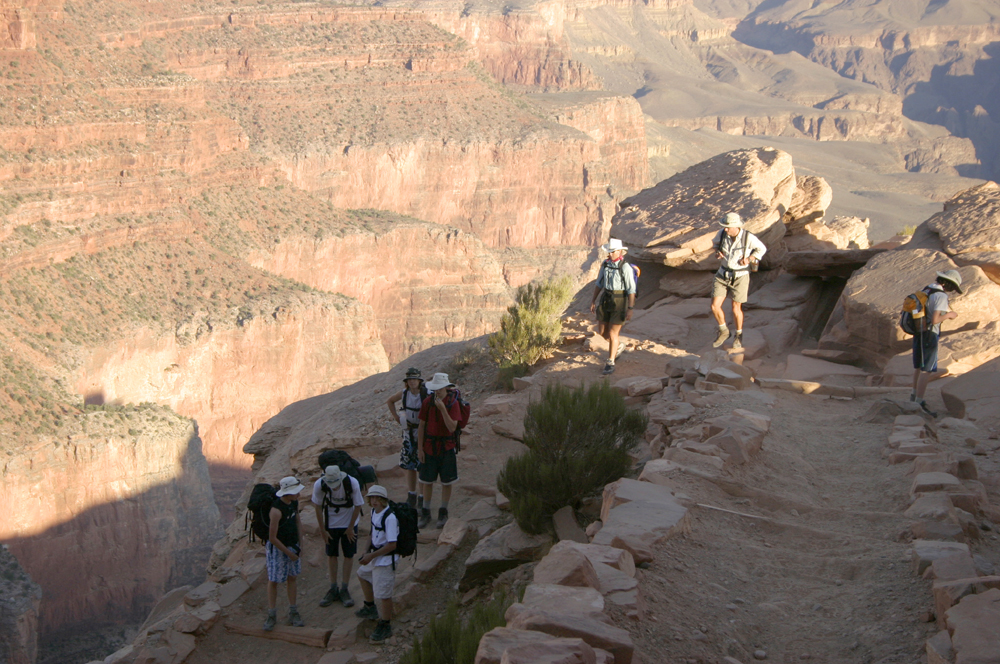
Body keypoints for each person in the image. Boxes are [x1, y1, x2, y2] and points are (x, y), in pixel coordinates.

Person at [710, 213, 766, 350]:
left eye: (728, 227)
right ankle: (724, 331)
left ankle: (738, 335)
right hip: (723, 273)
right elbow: (715, 245)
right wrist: (718, 252)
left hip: (740, 275)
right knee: (715, 306)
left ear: (736, 226)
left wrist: (750, 258)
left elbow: (762, 249)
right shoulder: (722, 234)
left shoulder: (748, 237)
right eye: (724, 226)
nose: (725, 229)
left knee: (736, 307)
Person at [911, 269, 963, 417]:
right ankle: (919, 404)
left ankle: (913, 397)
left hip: (919, 331)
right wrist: (949, 315)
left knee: (918, 366)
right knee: (926, 369)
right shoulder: (940, 295)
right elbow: (935, 320)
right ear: (948, 284)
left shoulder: (926, 289)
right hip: (929, 334)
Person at [312, 465, 364, 609]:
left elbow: (358, 505)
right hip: (331, 522)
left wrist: (350, 528)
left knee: (348, 554)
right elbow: (317, 506)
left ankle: (344, 588)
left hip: (349, 522)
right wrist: (322, 530)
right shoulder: (320, 484)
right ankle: (333, 588)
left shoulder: (352, 483)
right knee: (332, 554)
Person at [416, 372, 461, 530]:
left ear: (446, 388)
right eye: (436, 389)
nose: (438, 392)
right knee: (426, 481)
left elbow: (452, 427)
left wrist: (443, 410)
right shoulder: (427, 402)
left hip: (447, 447)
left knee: (446, 482)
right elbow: (421, 425)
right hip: (429, 447)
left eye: (440, 389)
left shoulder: (453, 403)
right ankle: (426, 511)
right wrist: (420, 449)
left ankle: (443, 511)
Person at [355, 485, 398, 643]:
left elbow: (392, 544)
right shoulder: (375, 512)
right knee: (362, 574)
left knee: (383, 594)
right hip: (375, 556)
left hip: (385, 560)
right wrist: (365, 552)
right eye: (372, 498)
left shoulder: (390, 518)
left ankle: (385, 624)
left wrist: (371, 555)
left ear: (383, 499)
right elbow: (372, 533)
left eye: (377, 498)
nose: (374, 501)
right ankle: (370, 607)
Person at [590, 238, 636, 375]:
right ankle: (618, 346)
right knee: (602, 332)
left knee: (612, 332)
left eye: (613, 251)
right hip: (606, 299)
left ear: (620, 251)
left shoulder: (625, 267)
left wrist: (630, 308)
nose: (610, 254)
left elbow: (631, 289)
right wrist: (593, 300)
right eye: (609, 251)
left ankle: (610, 362)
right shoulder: (605, 264)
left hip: (619, 300)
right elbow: (599, 283)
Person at [264, 476, 305, 631]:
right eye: (296, 492)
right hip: (278, 549)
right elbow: (272, 538)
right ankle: (271, 614)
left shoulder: (293, 503)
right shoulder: (276, 510)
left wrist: (301, 544)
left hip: (293, 545)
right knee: (273, 580)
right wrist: (289, 553)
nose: (299, 494)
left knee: (292, 577)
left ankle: (293, 611)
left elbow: (298, 522)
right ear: (287, 493)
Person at [385, 367, 427, 508]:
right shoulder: (404, 393)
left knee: (421, 465)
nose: (412, 382)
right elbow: (390, 401)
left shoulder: (426, 393)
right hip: (408, 433)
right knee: (410, 466)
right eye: (410, 379)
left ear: (419, 380)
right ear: (407, 382)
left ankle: (422, 497)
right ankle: (412, 495)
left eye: (414, 379)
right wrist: (397, 418)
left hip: (423, 433)